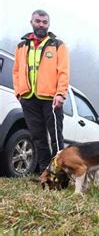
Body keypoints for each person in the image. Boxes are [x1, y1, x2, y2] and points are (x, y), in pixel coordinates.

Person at [12, 9, 70, 173]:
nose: (41, 25)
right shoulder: (21, 46)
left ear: (48, 24)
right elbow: (16, 71)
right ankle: (45, 172)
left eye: (44, 22)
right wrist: (19, 92)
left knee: (56, 138)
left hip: (52, 99)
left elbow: (63, 71)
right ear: (31, 22)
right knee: (37, 136)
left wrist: (60, 93)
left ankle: (59, 173)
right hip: (29, 98)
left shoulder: (57, 45)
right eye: (37, 21)